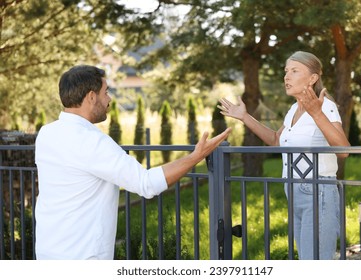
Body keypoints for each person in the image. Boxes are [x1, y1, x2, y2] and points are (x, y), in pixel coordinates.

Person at [35, 65, 231, 260]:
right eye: (106, 92)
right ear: (91, 97)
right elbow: (146, 184)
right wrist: (196, 156)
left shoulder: (47, 133)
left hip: (47, 251)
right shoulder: (91, 141)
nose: (109, 99)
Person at [218, 51, 350, 260]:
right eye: (286, 71)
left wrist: (316, 113)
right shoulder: (293, 110)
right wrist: (244, 117)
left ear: (313, 78)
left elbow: (343, 150)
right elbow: (276, 141)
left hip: (318, 191)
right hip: (293, 190)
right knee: (306, 259)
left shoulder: (325, 106)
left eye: (295, 71)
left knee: (315, 264)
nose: (287, 77)